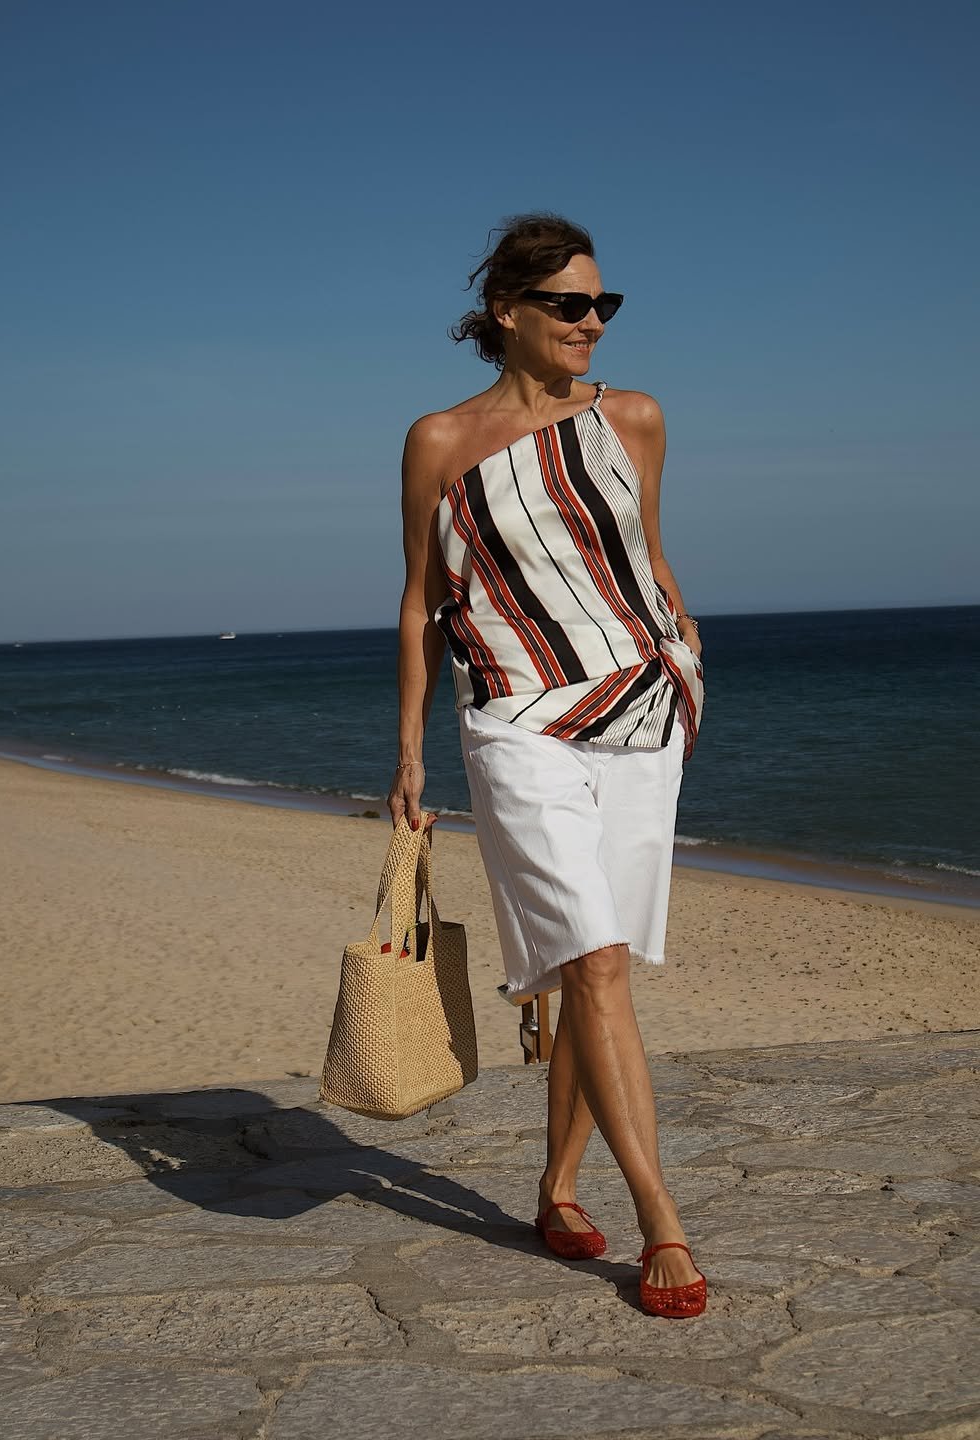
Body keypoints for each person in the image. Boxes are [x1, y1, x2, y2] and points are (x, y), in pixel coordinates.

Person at [388, 213, 707, 1319]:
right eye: (569, 305)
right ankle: (663, 1220)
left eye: (602, 304)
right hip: (517, 718)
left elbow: (648, 555)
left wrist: (685, 645)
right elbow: (423, 599)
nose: (591, 323)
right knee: (597, 962)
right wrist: (409, 753)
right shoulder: (441, 440)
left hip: (640, 706)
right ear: (506, 315)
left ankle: (559, 1185)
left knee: (593, 968)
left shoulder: (637, 419)